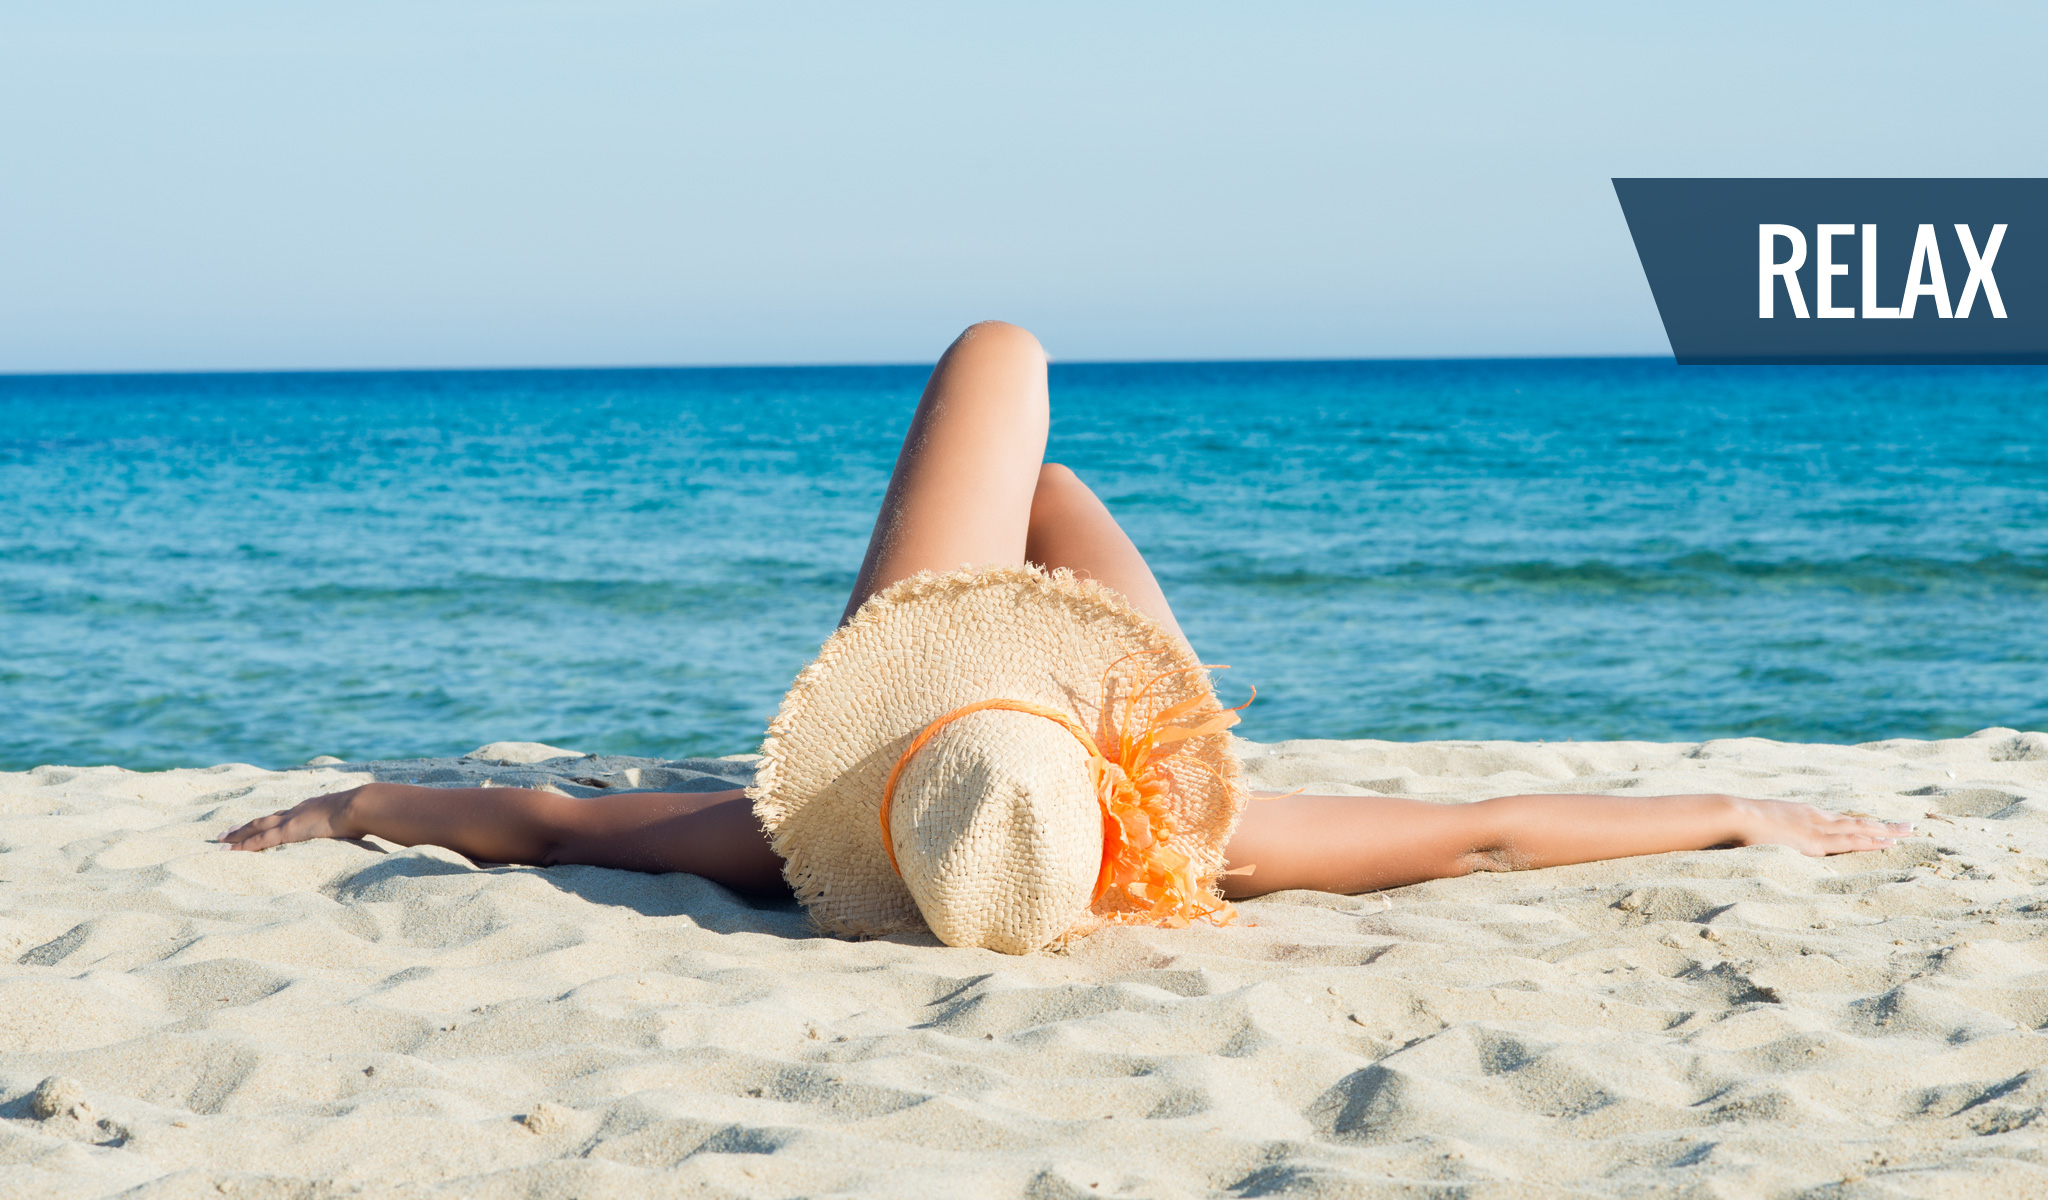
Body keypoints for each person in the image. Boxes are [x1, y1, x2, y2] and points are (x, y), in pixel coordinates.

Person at [223, 322, 1909, 901]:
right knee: (1019, 403)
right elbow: (1485, 837)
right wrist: (1740, 808)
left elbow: (545, 822)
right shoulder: (1209, 847)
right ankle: (1044, 521)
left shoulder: (771, 841)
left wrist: (355, 804)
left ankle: (1031, 521)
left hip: (1004, 742)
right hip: (1080, 733)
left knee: (1001, 360)